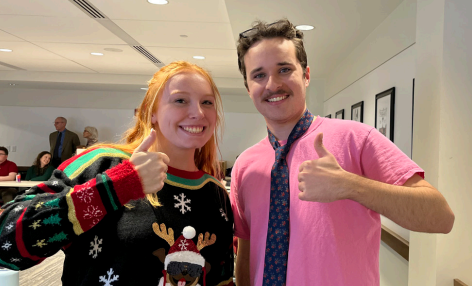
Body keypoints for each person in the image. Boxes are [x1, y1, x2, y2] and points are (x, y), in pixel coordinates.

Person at [230, 19, 455, 286]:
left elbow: (441, 217)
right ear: (248, 87)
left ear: (306, 75)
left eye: (284, 69)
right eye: (259, 75)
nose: (272, 84)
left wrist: (351, 186)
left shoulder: (356, 138)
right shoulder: (245, 165)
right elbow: (245, 255)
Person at [0, 61, 234, 286]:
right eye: (181, 100)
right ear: (151, 112)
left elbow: (220, 279)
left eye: (207, 102)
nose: (198, 112)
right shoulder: (102, 162)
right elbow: (5, 241)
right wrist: (119, 185)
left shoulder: (215, 192)